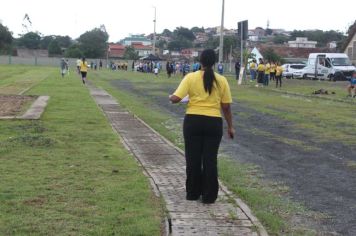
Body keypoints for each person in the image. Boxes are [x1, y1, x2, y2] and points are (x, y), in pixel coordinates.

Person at [169, 49, 234, 204]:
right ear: (215, 62)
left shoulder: (190, 77)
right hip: (213, 122)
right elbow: (226, 107)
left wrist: (171, 97)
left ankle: (192, 192)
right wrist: (230, 126)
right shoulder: (222, 80)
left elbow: (176, 98)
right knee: (210, 159)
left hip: (193, 121)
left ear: (200, 61)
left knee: (193, 158)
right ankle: (209, 195)